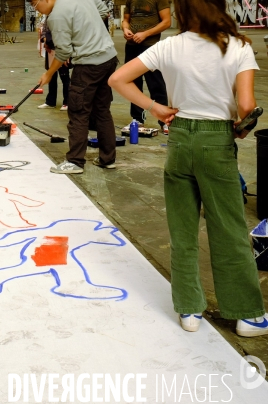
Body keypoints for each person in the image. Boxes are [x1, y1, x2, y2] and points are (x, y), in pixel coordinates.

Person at [109, 0, 268, 337]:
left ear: (182, 10)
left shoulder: (169, 46)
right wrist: (243, 123)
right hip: (217, 142)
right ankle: (246, 316)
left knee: (182, 231)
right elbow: (245, 106)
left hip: (179, 138)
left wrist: (155, 107)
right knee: (228, 229)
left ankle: (189, 309)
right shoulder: (238, 46)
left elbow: (118, 79)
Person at [33, 0, 118, 175]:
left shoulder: (55, 16)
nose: (37, 9)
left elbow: (63, 51)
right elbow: (103, 11)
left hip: (88, 65)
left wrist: (49, 74)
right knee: (102, 110)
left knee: (79, 112)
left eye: (35, 4)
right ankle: (107, 159)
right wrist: (87, 27)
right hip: (108, 59)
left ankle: (75, 162)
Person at [122, 0, 171, 133]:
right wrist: (125, 29)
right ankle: (137, 119)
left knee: (156, 84)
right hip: (132, 46)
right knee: (133, 84)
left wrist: (145, 34)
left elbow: (167, 22)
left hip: (151, 47)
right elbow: (126, 20)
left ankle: (165, 120)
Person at [37, 18, 70, 111]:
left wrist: (65, 51)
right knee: (51, 76)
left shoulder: (61, 16)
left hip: (61, 50)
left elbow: (66, 34)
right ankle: (50, 102)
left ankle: (67, 102)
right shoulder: (49, 16)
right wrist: (45, 41)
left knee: (65, 77)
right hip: (51, 50)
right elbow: (44, 30)